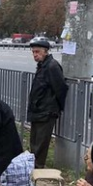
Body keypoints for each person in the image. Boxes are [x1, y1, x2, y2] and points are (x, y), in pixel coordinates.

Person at [27, 38, 68, 168]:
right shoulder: (43, 66)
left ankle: (37, 169)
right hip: (38, 111)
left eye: (37, 52)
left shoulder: (52, 66)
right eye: (33, 52)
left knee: (40, 144)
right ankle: (33, 168)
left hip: (46, 111)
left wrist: (57, 108)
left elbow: (60, 88)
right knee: (34, 142)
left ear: (45, 51)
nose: (34, 54)